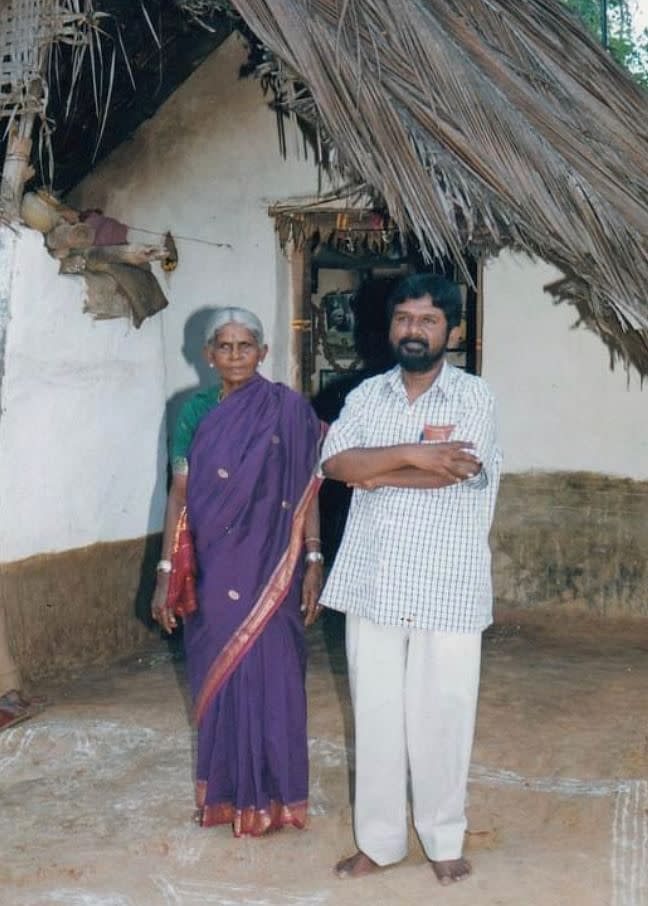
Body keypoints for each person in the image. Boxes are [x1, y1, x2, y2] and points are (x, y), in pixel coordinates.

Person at [319, 273, 501, 884]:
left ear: (452, 329)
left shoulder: (474, 396)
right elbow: (337, 462)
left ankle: (444, 837)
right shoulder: (366, 395)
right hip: (374, 579)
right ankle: (380, 841)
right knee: (373, 715)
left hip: (447, 583)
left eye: (427, 320)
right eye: (403, 318)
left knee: (444, 714)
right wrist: (418, 454)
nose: (413, 330)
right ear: (390, 326)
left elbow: (460, 472)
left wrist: (381, 469)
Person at [151, 307, 325, 837]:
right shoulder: (193, 411)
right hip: (215, 566)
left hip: (274, 567)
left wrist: (314, 558)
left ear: (263, 353)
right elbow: (180, 495)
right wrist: (165, 571)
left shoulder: (289, 411)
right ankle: (225, 797)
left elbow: (305, 493)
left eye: (244, 345)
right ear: (207, 355)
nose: (233, 355)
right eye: (223, 347)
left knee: (276, 677)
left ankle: (277, 798)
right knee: (220, 678)